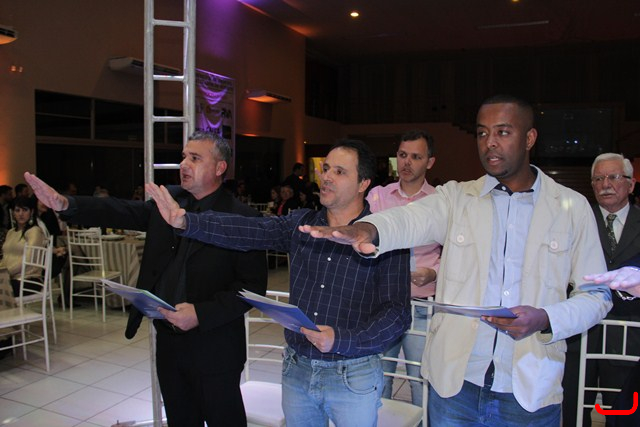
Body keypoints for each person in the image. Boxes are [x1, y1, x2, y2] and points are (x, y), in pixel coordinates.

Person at [299, 95, 613, 426]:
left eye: (503, 132)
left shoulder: (571, 208)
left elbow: (597, 295)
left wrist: (546, 318)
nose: (490, 143)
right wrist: (367, 229)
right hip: (456, 388)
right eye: (482, 133)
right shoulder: (456, 197)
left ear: (529, 138)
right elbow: (410, 219)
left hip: (529, 388)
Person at [146, 139, 412, 427]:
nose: (326, 177)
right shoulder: (302, 225)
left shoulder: (383, 236)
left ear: (363, 183)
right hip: (298, 370)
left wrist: (341, 339)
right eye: (325, 169)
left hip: (353, 374)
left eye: (339, 172)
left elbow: (397, 314)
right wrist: (187, 222)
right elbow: (250, 229)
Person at [25, 130, 268, 427]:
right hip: (168, 341)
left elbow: (252, 288)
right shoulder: (170, 203)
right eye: (183, 157)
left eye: (195, 158)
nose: (184, 164)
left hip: (215, 346)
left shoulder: (243, 218)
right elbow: (120, 210)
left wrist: (200, 314)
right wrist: (66, 204)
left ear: (220, 168)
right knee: (180, 419)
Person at [563, 152, 640, 426]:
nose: (605, 184)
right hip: (580, 334)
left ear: (631, 184)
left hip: (627, 335)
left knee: (621, 413)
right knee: (572, 410)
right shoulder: (575, 221)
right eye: (598, 179)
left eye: (613, 177)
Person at [366, 129, 441, 409]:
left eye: (416, 157)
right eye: (402, 155)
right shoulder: (378, 197)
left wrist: (435, 273)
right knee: (379, 377)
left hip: (421, 303)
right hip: (383, 302)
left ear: (429, 162)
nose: (407, 162)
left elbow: (457, 251)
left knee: (420, 379)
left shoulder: (440, 201)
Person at [0, 196, 45, 296]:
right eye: (17, 210)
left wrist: (5, 273)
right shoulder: (11, 232)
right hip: (10, 278)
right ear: (13, 213)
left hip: (29, 280)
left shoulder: (35, 231)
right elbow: (5, 258)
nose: (21, 214)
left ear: (31, 212)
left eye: (25, 210)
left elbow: (28, 259)